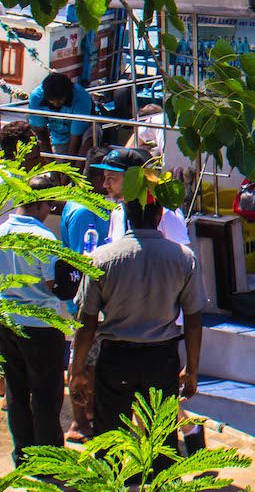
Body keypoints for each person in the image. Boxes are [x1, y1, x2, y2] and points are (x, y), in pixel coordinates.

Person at [68, 193, 207, 438]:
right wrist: (192, 370)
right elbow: (194, 320)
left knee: (111, 439)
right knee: (160, 441)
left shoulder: (102, 258)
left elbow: (86, 321)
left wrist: (77, 370)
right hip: (161, 357)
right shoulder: (184, 258)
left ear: (127, 218)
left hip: (115, 357)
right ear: (159, 216)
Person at [0, 175, 69, 462]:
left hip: (7, 324)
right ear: (41, 204)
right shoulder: (44, 238)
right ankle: (50, 461)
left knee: (15, 391)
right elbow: (56, 284)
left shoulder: (2, 232)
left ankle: (24, 455)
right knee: (45, 395)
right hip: (41, 326)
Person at [97, 147, 188, 246]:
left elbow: (181, 257)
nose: (105, 184)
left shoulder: (166, 213)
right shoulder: (117, 212)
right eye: (105, 178)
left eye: (111, 178)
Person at [28, 72, 93, 160]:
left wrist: (68, 166)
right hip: (59, 134)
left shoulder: (81, 98)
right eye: (52, 101)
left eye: (60, 101)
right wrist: (51, 165)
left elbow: (76, 137)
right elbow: (40, 131)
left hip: (82, 131)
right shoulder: (36, 97)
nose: (56, 104)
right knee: (58, 164)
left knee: (79, 158)